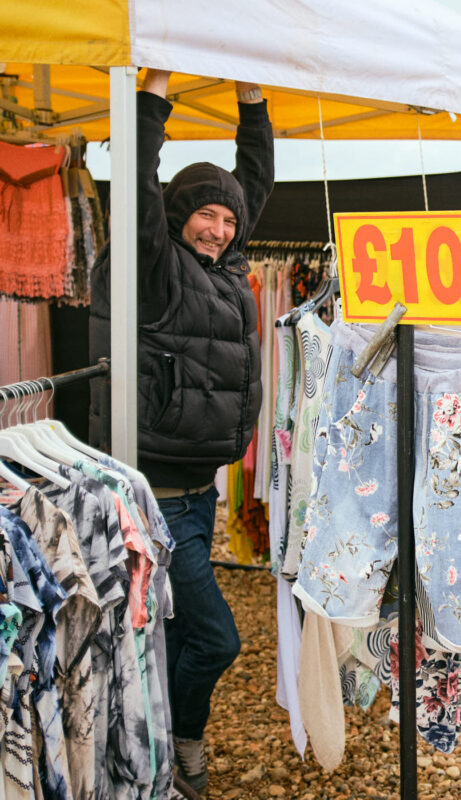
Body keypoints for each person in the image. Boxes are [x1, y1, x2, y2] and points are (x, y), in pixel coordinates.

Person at [89, 67, 274, 798]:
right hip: (156, 495)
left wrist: (253, 105)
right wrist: (152, 95)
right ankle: (182, 741)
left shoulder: (225, 268)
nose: (221, 227)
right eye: (207, 214)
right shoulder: (156, 264)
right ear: (176, 214)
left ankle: (146, 754)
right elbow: (135, 184)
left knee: (166, 637)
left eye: (228, 221)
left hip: (200, 496)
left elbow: (251, 185)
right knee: (217, 638)